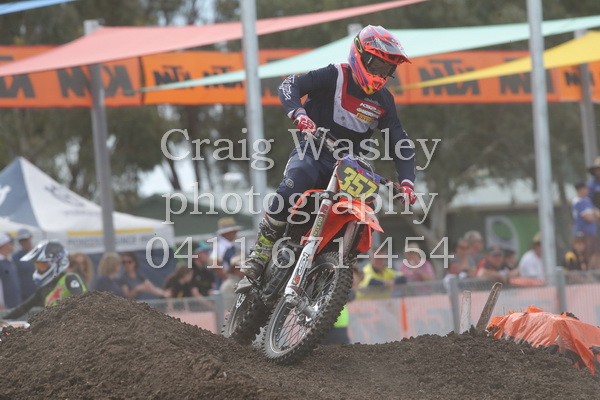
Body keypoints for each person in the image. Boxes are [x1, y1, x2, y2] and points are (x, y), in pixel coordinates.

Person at [240, 25, 417, 280]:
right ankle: (262, 250)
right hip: (315, 151)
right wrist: (299, 114)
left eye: (387, 69)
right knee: (298, 177)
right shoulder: (335, 75)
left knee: (368, 203)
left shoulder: (384, 100)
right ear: (359, 55)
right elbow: (290, 84)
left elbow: (399, 140)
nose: (380, 74)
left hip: (350, 166)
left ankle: (339, 266)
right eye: (377, 65)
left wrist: (408, 182)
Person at [2, 240, 87, 319]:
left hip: (80, 322)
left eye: (42, 266)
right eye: (37, 266)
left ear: (54, 263)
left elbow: (79, 301)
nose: (39, 270)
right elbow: (24, 308)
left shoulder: (70, 278)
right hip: (60, 325)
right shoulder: (44, 287)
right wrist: (3, 319)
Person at [572, 182, 600, 260]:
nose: (587, 190)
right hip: (583, 233)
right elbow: (588, 217)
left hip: (591, 233)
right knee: (585, 255)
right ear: (580, 190)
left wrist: (594, 215)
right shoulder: (578, 201)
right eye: (585, 189)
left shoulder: (587, 200)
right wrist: (595, 217)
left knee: (593, 254)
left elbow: (597, 211)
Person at [214, 217, 242, 288]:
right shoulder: (220, 247)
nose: (235, 233)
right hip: (224, 285)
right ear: (226, 233)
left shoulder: (232, 246)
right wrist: (227, 279)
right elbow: (215, 265)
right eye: (233, 231)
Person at [12, 228, 36, 302]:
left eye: (25, 239)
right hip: (25, 297)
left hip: (42, 293)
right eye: (21, 240)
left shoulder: (40, 253)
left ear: (30, 238)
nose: (24, 242)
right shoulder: (15, 258)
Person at [0, 233, 21, 309]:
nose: (12, 244)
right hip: (5, 306)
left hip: (15, 303)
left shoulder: (10, 260)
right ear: (4, 244)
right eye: (10, 242)